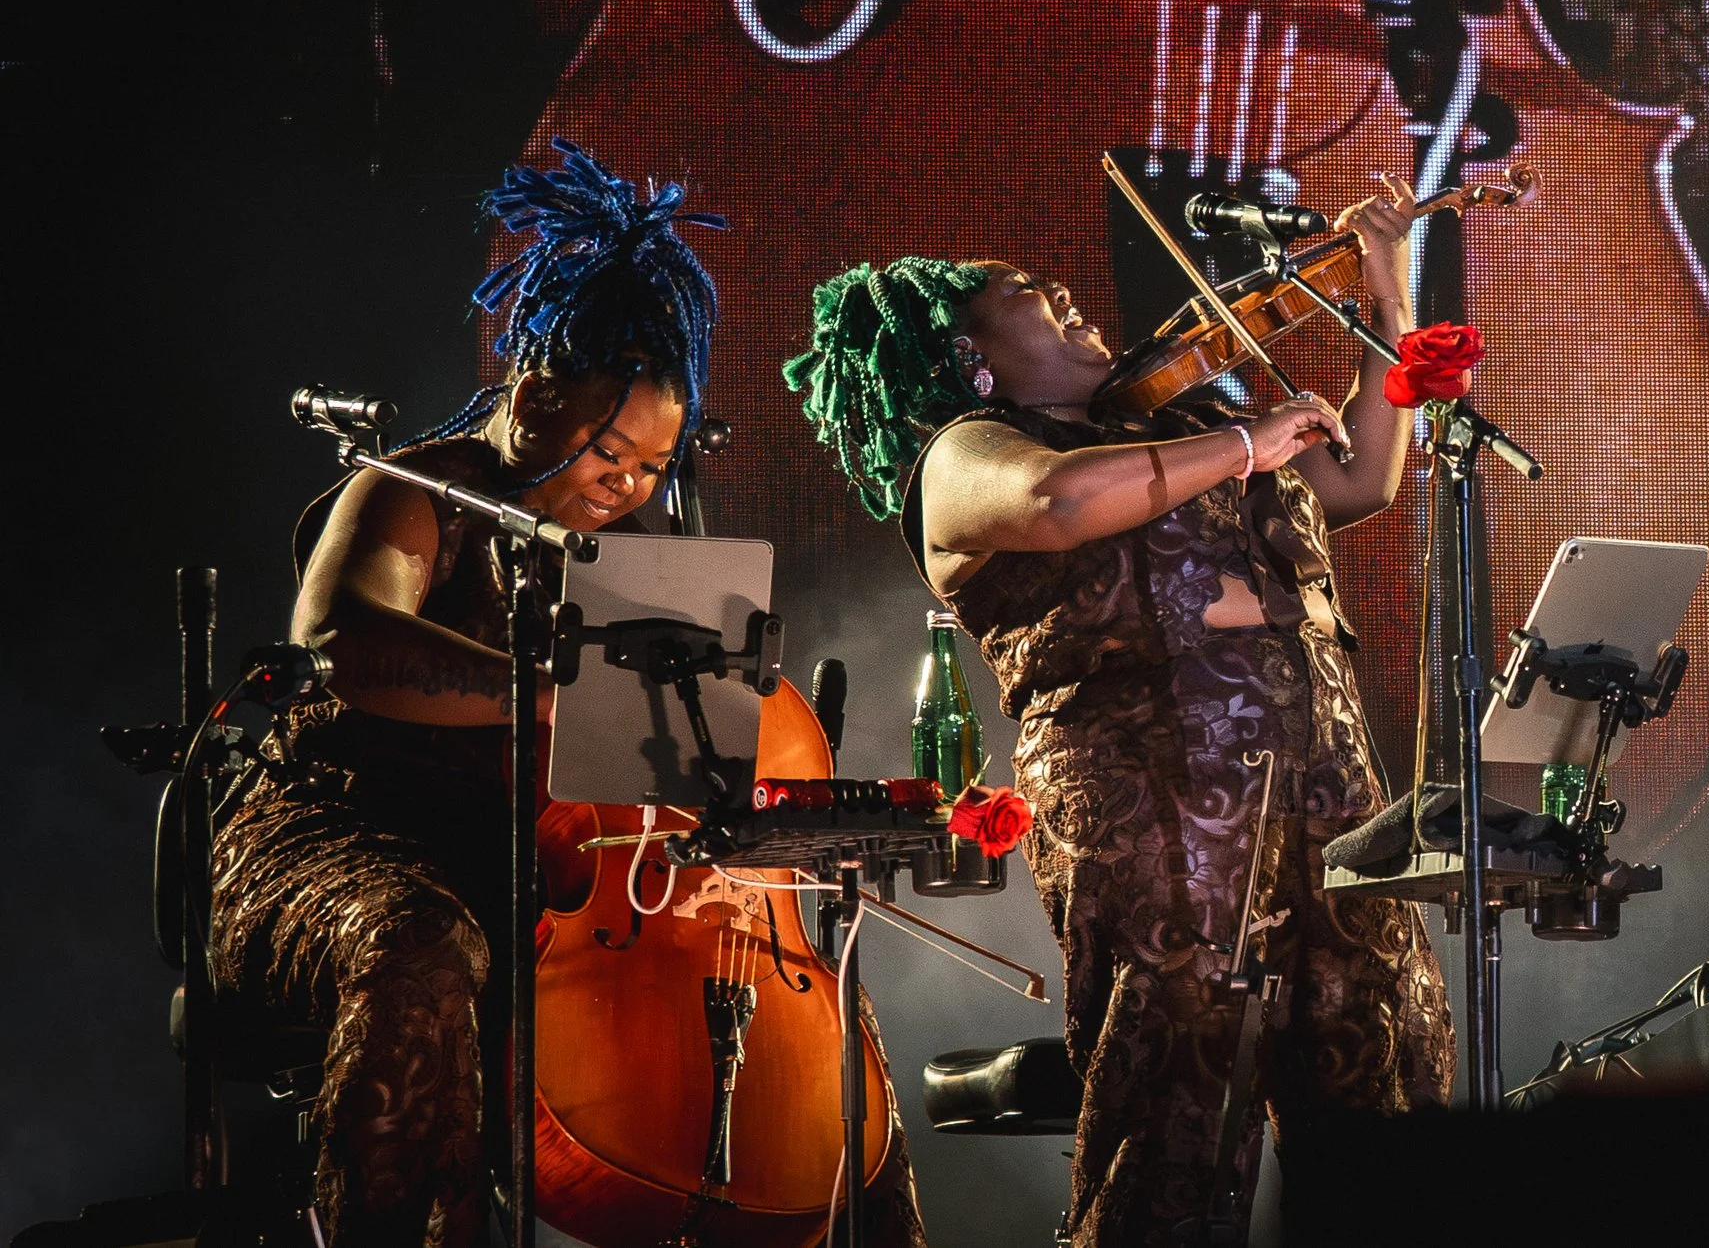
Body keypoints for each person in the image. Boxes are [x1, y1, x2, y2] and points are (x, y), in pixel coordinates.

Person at [210, 143, 924, 1248]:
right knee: (420, 945)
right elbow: (342, 641)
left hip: (548, 879)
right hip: (343, 836)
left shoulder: (632, 556)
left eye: (650, 467)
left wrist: (742, 834)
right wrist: (545, 691)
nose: (626, 485)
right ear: (538, 392)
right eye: (610, 449)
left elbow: (680, 779)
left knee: (822, 1027)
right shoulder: (412, 490)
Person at [783, 186, 1455, 1245]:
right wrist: (1243, 445)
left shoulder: (1181, 417)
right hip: (1155, 810)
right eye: (1024, 294)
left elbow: (1363, 473)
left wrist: (1386, 282)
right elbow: (1059, 500)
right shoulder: (965, 456)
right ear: (975, 360)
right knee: (1176, 1112)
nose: (1062, 292)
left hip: (1324, 796)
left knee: (1380, 1081)